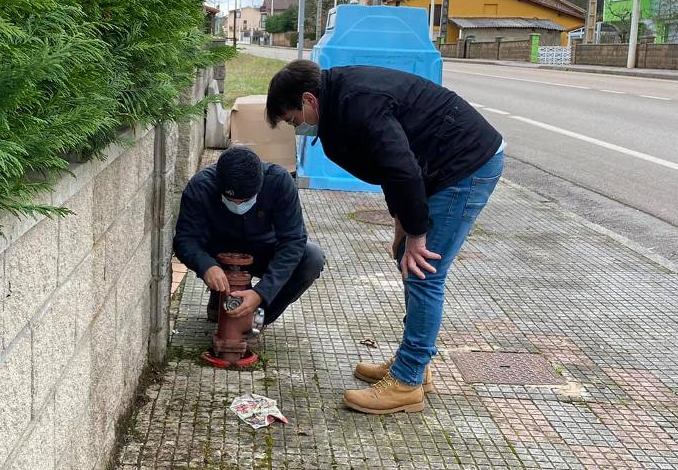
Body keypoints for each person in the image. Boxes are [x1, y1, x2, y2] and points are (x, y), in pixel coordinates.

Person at [266, 60, 504, 414]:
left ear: (308, 99)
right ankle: (414, 364)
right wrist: (402, 224)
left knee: (424, 270)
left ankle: (407, 383)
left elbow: (400, 167)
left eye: (293, 118)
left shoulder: (358, 103)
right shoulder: (340, 99)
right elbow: (389, 169)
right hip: (438, 166)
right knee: (407, 261)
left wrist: (417, 234)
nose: (295, 126)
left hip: (465, 164)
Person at [173, 146, 325, 330]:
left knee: (313, 257)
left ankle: (256, 317)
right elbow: (185, 240)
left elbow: (293, 240)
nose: (238, 205)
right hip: (220, 255)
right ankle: (220, 294)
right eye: (232, 200)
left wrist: (262, 293)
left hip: (264, 252)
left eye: (245, 200)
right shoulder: (200, 186)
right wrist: (206, 266)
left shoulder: (279, 182)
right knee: (206, 260)